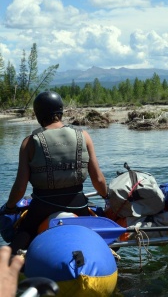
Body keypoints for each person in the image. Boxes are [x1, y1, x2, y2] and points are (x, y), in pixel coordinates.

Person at [0, 91, 107, 254]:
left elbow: (20, 188)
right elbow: (98, 180)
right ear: (60, 112)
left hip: (42, 205)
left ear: (38, 114)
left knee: (17, 244)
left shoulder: (29, 142)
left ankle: (14, 259)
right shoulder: (84, 136)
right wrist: (107, 197)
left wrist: (9, 207)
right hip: (78, 204)